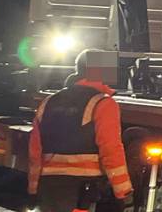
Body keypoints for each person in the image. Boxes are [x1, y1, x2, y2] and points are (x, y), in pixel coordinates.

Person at [28, 49, 133, 212]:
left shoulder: (49, 101)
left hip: (49, 185)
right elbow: (111, 149)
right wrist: (123, 192)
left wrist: (33, 187)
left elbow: (35, 149)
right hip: (82, 189)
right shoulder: (104, 104)